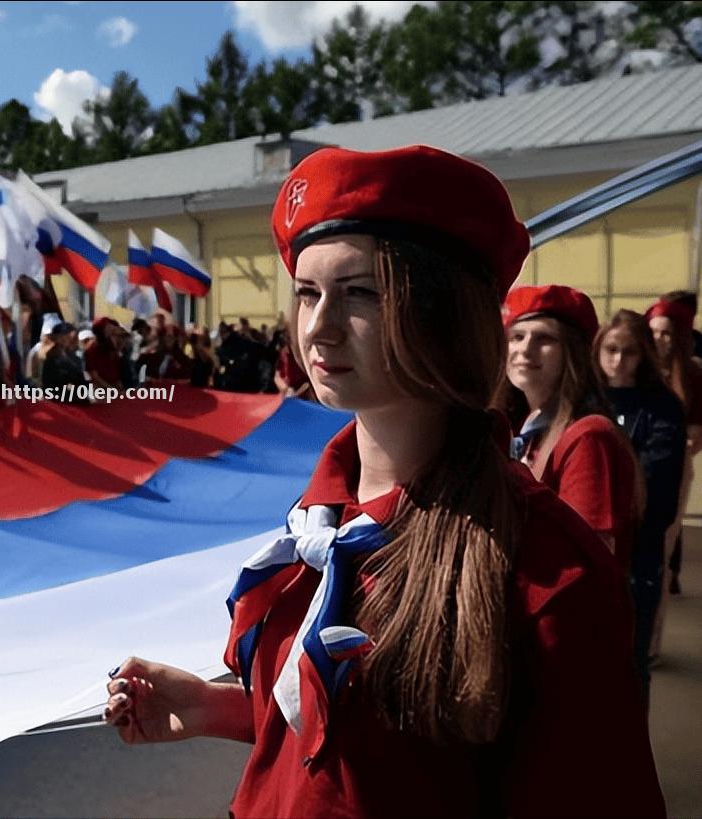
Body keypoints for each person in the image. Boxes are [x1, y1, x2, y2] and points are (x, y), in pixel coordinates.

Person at [103, 145, 663, 818]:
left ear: (444, 311)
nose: (318, 326)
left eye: (359, 292)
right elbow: (364, 748)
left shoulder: (550, 569)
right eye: (307, 292)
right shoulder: (318, 519)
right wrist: (212, 705)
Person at [498, 284, 639, 568]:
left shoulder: (589, 436)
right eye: (517, 336)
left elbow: (589, 556)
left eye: (544, 338)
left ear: (572, 352)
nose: (525, 349)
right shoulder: (520, 425)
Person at [596, 309, 686, 703]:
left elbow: (656, 491)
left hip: (636, 558)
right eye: (611, 350)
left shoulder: (662, 407)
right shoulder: (586, 398)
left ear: (644, 355)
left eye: (629, 352)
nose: (618, 361)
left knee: (631, 668)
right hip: (589, 555)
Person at [647, 295, 702, 597]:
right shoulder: (638, 370)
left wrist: (674, 456)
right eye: (653, 331)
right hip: (639, 460)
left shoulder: (693, 376)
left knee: (670, 522)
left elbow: (696, 431)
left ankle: (669, 572)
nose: (658, 339)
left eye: (666, 333)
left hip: (676, 461)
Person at [41, 322, 89, 403]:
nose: (65, 339)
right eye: (62, 336)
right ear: (56, 338)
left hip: (75, 395)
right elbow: (50, 385)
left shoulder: (73, 356)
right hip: (58, 398)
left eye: (67, 336)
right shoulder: (51, 357)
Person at [84, 317, 124, 389]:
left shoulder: (109, 345)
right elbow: (94, 376)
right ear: (101, 331)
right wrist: (111, 389)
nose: (111, 330)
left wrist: (119, 386)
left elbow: (114, 369)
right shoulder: (91, 348)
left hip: (113, 387)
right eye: (108, 328)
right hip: (101, 390)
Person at [26, 313, 60, 389]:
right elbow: (30, 378)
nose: (53, 338)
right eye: (50, 335)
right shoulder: (35, 351)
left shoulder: (60, 349)